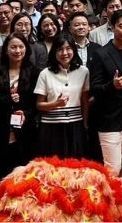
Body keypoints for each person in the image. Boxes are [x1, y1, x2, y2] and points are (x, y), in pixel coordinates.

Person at [0, 36, 38, 211]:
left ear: (26, 49)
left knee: (23, 177)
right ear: (6, 50)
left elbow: (39, 104)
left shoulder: (35, 73)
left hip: (25, 134)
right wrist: (7, 99)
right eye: (13, 47)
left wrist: (26, 113)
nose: (17, 51)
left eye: (21, 47)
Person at [90, 11, 122, 174]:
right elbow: (95, 88)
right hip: (110, 118)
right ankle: (111, 198)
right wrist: (112, 85)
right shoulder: (101, 54)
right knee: (112, 168)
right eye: (121, 26)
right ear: (112, 27)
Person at [34, 32, 88, 160]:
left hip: (76, 125)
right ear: (54, 52)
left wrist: (85, 124)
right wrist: (55, 104)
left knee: (75, 166)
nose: (64, 53)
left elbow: (85, 101)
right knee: (53, 168)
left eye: (68, 49)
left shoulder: (83, 71)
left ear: (74, 50)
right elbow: (39, 105)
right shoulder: (45, 73)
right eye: (60, 49)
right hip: (51, 127)